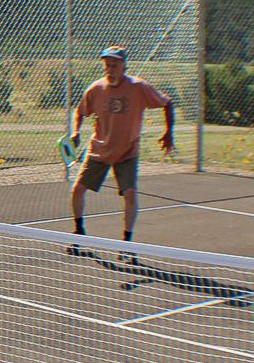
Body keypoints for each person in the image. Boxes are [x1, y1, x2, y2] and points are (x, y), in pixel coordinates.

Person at [68, 46, 175, 255]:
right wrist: (76, 132)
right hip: (100, 149)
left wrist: (168, 132)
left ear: (124, 66)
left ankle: (126, 244)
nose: (110, 69)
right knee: (77, 190)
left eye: (115, 65)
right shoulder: (96, 89)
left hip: (127, 151)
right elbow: (80, 112)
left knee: (130, 195)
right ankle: (79, 232)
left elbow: (167, 103)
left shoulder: (139, 87)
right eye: (107, 65)